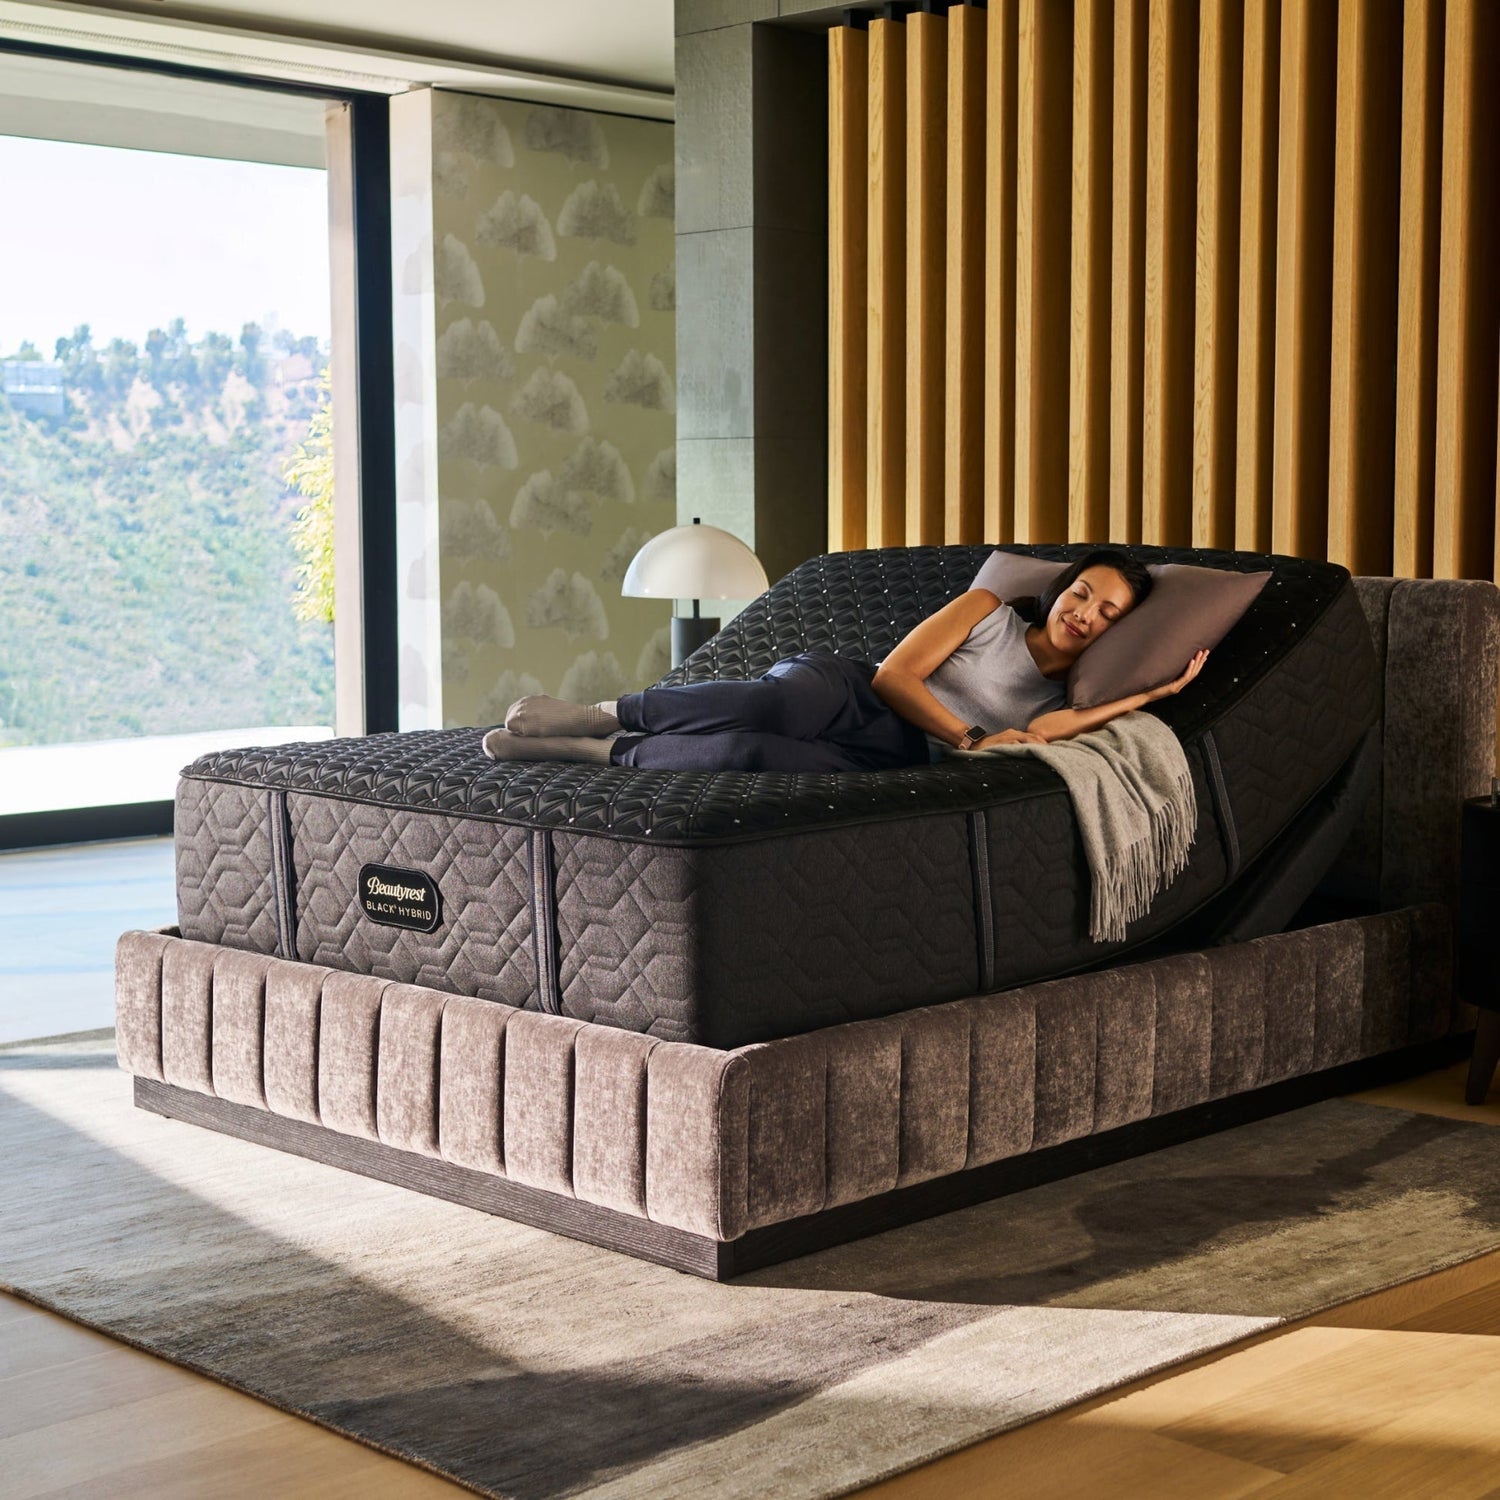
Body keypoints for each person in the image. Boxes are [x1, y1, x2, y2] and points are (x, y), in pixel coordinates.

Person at [482, 548, 1208, 772]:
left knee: (749, 753)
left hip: (896, 754)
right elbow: (895, 676)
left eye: (1108, 615)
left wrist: (1148, 695)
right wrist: (968, 738)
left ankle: (599, 752)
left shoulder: (1061, 702)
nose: (1086, 615)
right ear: (1061, 588)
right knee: (776, 707)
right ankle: (609, 711)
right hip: (851, 692)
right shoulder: (988, 612)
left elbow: (1051, 735)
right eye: (1084, 594)